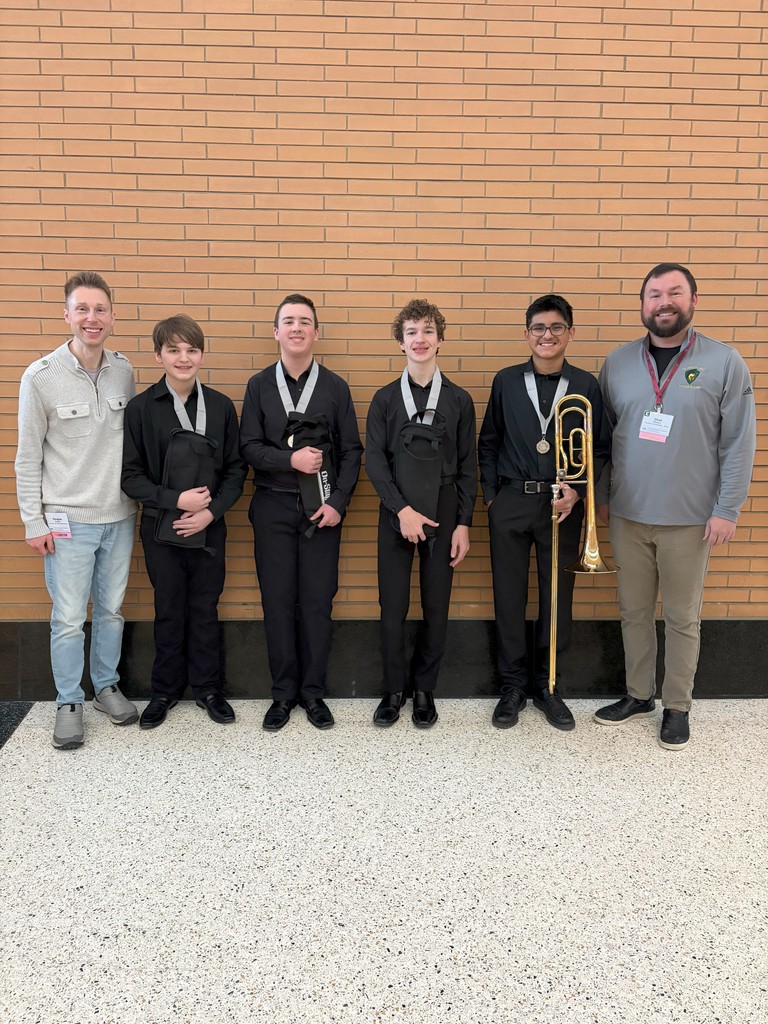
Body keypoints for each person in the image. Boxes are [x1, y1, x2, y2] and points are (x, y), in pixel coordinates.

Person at [594, 263, 756, 749]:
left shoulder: (725, 362)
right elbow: (602, 441)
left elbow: (739, 443)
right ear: (642, 305)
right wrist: (602, 498)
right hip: (628, 513)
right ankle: (638, 694)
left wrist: (727, 509)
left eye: (674, 293)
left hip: (690, 519)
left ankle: (677, 705)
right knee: (633, 611)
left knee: (683, 616)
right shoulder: (618, 363)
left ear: (693, 300)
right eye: (654, 294)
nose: (664, 302)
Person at [15, 271, 138, 750]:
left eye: (100, 309)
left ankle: (105, 686)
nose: (92, 318)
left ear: (111, 316)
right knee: (68, 616)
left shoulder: (124, 369)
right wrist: (33, 520)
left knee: (110, 611)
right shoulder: (40, 376)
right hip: (67, 521)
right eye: (82, 309)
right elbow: (27, 456)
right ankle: (69, 700)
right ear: (66, 315)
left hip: (120, 516)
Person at [478, 294, 607, 732]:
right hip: (512, 501)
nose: (546, 335)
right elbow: (489, 442)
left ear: (570, 332)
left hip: (562, 505)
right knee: (509, 597)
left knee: (558, 600)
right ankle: (512, 686)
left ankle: (549, 685)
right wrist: (493, 498)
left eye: (556, 327)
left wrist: (580, 494)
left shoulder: (586, 385)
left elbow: (600, 450)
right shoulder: (507, 381)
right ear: (526, 334)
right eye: (538, 328)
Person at [240, 294, 363, 731]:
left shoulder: (335, 387)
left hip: (321, 511)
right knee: (277, 603)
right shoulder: (258, 386)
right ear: (276, 332)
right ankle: (282, 695)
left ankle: (313, 694)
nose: (296, 328)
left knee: (316, 602)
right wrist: (286, 460)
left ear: (315, 332)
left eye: (304, 322)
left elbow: (351, 451)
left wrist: (338, 504)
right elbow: (248, 447)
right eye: (288, 321)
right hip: (272, 505)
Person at [121, 315, 246, 730]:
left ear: (202, 355)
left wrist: (209, 512)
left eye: (192, 349)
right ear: (158, 355)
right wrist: (178, 501)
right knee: (168, 609)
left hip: (210, 529)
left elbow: (235, 472)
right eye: (173, 350)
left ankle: (209, 689)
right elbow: (131, 477)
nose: (183, 357)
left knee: (205, 608)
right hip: (162, 530)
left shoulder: (222, 406)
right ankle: (164, 691)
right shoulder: (141, 409)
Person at [365, 299, 477, 728]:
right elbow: (375, 461)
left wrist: (463, 522)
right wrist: (402, 511)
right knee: (391, 605)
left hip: (445, 509)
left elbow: (468, 466)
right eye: (411, 332)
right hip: (396, 511)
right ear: (400, 342)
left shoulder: (459, 399)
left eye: (428, 331)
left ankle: (425, 689)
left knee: (436, 604)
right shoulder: (385, 399)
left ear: (440, 340)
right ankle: (394, 688)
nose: (420, 339)